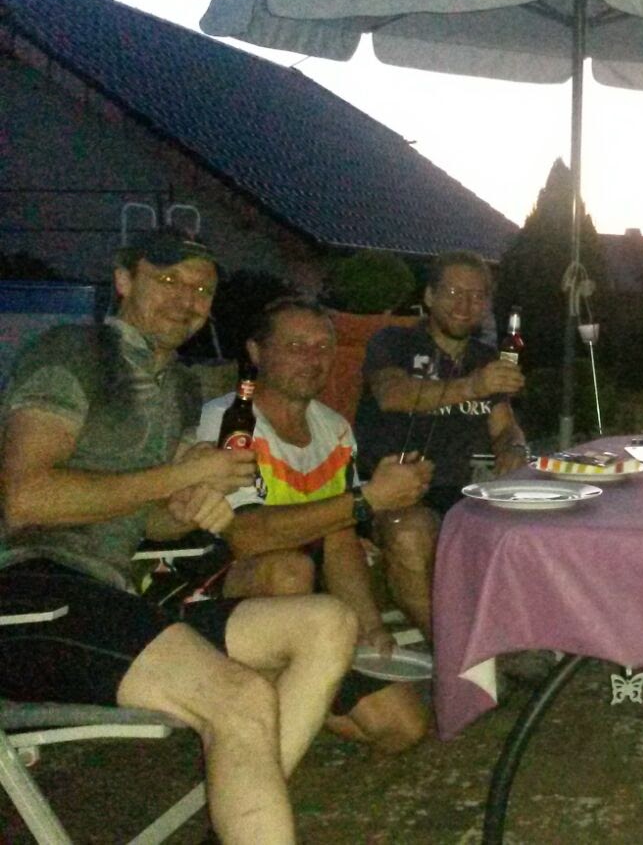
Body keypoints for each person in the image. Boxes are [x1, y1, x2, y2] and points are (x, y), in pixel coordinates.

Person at [0, 228, 356, 844]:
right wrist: (180, 476)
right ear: (123, 280)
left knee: (329, 623)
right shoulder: (72, 352)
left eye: (201, 288)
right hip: (28, 591)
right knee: (240, 697)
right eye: (167, 279)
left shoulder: (180, 387)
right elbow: (24, 499)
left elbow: (150, 518)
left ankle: (240, 823)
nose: (186, 298)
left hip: (112, 594)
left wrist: (190, 509)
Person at [188, 297, 435, 754]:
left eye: (323, 347)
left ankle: (284, 701)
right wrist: (368, 498)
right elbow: (245, 536)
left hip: (311, 614)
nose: (312, 358)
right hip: (215, 593)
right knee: (288, 571)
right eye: (295, 346)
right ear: (257, 352)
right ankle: (251, 730)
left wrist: (370, 626)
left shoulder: (334, 429)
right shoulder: (230, 420)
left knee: (403, 729)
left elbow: (340, 536)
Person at [353, 250, 528, 635]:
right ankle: (453, 651)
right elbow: (392, 394)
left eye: (477, 295)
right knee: (409, 532)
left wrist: (513, 448)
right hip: (400, 492)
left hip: (469, 491)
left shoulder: (486, 359)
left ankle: (530, 637)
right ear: (429, 296)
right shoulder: (395, 341)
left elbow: (505, 427)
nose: (465, 305)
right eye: (453, 292)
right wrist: (472, 386)